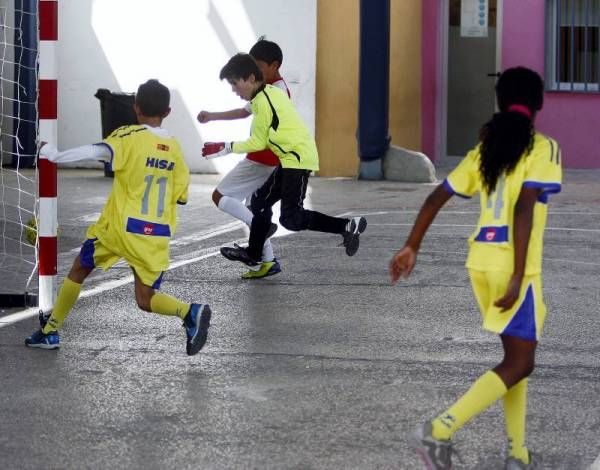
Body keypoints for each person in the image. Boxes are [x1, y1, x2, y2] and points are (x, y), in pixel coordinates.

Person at [389, 67, 562, 469]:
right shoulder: (544, 148)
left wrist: (412, 245)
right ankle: (440, 429)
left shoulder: (485, 150)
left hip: (480, 262)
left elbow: (436, 197)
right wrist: (519, 275)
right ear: (538, 103)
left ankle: (517, 453)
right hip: (514, 266)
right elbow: (524, 208)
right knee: (521, 362)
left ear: (500, 102)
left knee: (516, 361)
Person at [25, 79, 211, 356]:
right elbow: (180, 196)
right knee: (146, 300)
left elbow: (96, 151)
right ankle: (189, 312)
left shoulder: (128, 137)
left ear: (135, 108)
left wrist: (54, 154)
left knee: (79, 269)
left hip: (120, 229)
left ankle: (50, 332)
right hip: (156, 233)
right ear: (168, 112)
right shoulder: (175, 149)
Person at [202, 53, 367, 267]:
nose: (234, 90)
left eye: (235, 84)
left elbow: (258, 142)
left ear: (251, 78)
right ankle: (254, 253)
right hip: (290, 158)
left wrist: (225, 147)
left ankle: (346, 226)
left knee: (291, 218)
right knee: (260, 201)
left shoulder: (264, 101)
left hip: (297, 159)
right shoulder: (267, 94)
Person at [197, 39, 290, 279]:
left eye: (258, 65)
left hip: (262, 158)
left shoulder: (275, 90)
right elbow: (242, 112)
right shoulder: (266, 88)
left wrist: (227, 147)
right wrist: (212, 116)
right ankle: (266, 262)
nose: (254, 71)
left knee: (220, 196)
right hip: (267, 159)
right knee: (251, 208)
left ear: (274, 65)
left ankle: (263, 230)